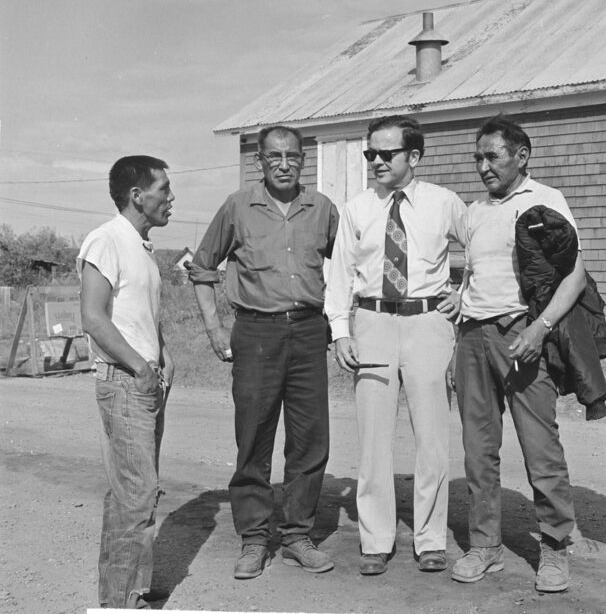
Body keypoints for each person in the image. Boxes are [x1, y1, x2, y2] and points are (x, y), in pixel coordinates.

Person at [188, 125, 338, 580]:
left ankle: (295, 535)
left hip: (310, 332)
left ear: (303, 160)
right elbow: (201, 267)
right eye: (275, 156)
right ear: (260, 160)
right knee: (253, 436)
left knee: (310, 437)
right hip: (255, 333)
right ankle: (254, 538)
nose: (284, 164)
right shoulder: (238, 206)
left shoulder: (323, 209)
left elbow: (350, 266)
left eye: (293, 156)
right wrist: (215, 328)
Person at [448, 114, 585, 593]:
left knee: (540, 446)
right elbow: (472, 274)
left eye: (493, 156)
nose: (484, 166)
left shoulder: (546, 201)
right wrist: (458, 312)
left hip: (522, 336)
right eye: (478, 158)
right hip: (472, 337)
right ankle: (484, 546)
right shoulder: (474, 210)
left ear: (521, 156)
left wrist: (540, 328)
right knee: (478, 449)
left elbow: (574, 275)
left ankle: (555, 547)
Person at [326, 115, 466, 576]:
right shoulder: (357, 208)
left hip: (428, 321)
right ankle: (375, 539)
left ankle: (430, 539)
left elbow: (482, 247)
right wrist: (341, 329)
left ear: (414, 156)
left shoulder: (444, 203)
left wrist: (464, 294)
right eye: (371, 154)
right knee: (373, 438)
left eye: (387, 154)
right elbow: (340, 274)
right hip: (372, 321)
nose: (377, 161)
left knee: (432, 438)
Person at [78, 155, 175, 609]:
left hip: (143, 380)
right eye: (163, 190)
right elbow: (94, 320)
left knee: (134, 495)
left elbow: (140, 318)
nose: (170, 200)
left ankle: (124, 595)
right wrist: (140, 367)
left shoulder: (141, 247)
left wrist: (164, 356)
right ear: (137, 195)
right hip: (123, 381)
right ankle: (121, 602)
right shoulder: (106, 240)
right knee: (136, 495)